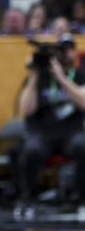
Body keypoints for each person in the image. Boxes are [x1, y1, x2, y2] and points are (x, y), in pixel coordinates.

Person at [15, 34, 85, 217]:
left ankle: (79, 199)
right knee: (30, 150)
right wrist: (34, 75)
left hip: (71, 131)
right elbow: (26, 109)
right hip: (43, 132)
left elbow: (83, 102)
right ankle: (28, 198)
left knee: (82, 146)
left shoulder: (79, 75)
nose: (65, 54)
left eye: (69, 49)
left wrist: (61, 78)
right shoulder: (39, 77)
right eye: (60, 50)